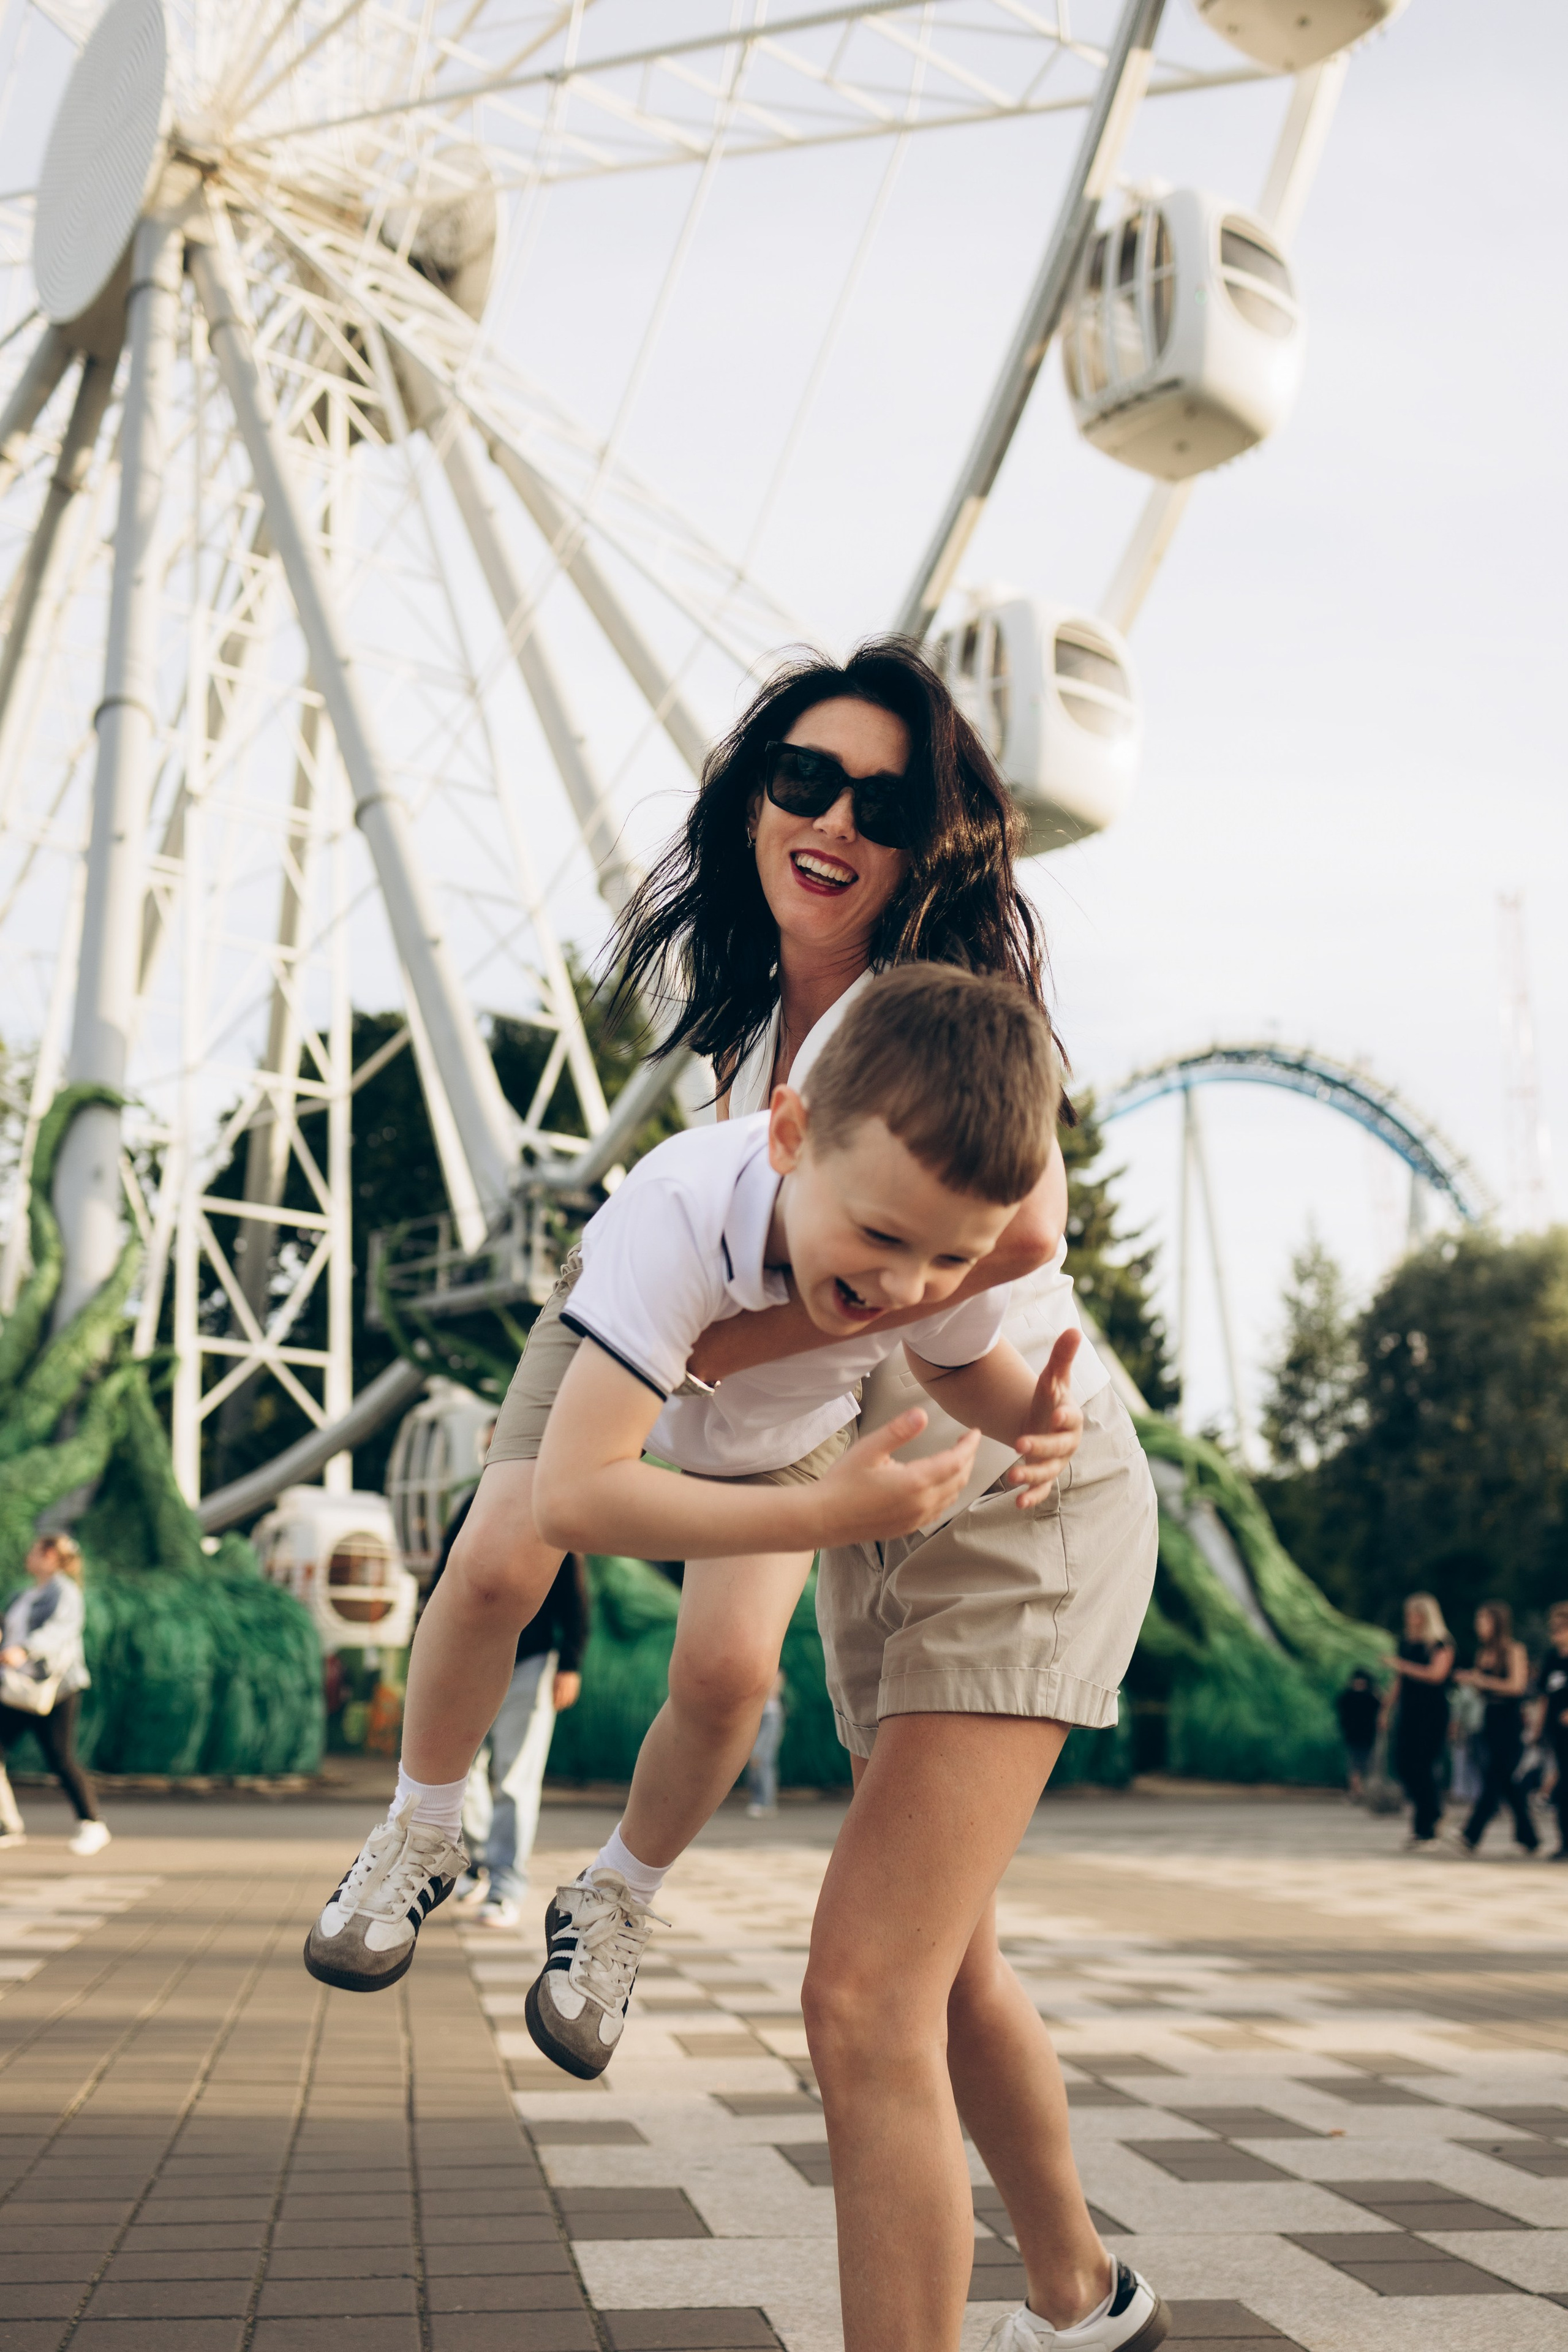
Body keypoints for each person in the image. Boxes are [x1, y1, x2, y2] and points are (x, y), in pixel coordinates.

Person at [314, 641, 1164, 2352]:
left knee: (863, 1998)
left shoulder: (933, 1028)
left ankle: (594, 1888)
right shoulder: (752, 1041)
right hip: (888, 1497)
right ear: (753, 793)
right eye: (804, 779)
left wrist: (708, 1355)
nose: (836, 818)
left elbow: (1005, 1254)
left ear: (940, 844)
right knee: (951, 1968)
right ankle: (1085, 2302)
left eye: (888, 800)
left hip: (991, 1492)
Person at [307, 964, 1082, 1994]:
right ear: (789, 1135)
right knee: (496, 1565)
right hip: (617, 1357)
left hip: (787, 1424)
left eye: (949, 1263)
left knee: (728, 1681)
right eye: (882, 1240)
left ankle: (617, 1892)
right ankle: (424, 1824)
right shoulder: (676, 1211)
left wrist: (1037, 1414)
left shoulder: (919, 1234)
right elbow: (576, 1498)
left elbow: (953, 1359)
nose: (903, 1290)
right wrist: (828, 1512)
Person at [426, 1496, 589, 1931]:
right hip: (474, 1660)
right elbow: (446, 1575)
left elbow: (574, 1593)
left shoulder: (549, 1506)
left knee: (515, 1778)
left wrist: (570, 1663)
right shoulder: (472, 1506)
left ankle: (506, 1888)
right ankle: (478, 1864)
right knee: (466, 1770)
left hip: (532, 1662)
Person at [0, 1533, 110, 1855]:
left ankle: (92, 1824)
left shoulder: (65, 1591)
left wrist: (25, 1650)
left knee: (60, 1757)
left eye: (35, 1551)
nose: (29, 1556)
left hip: (53, 1688)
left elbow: (60, 1631)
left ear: (50, 1556)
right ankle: (7, 1825)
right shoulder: (26, 1594)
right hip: (18, 1688)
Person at [1454, 1600, 1538, 1856]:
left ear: (1497, 1623)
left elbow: (1517, 1687)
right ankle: (1529, 1837)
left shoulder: (1514, 1650)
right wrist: (1472, 1682)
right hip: (1489, 1716)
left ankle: (1471, 1833)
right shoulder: (1483, 1653)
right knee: (1506, 1781)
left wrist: (1484, 1680)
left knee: (1495, 1775)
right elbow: (1483, 1688)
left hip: (1509, 1718)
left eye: (1484, 1620)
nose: (1479, 1626)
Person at [1381, 1593, 1453, 1850]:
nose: (1410, 1619)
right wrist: (1386, 1709)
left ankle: (1427, 1825)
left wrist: (1402, 1665)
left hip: (1431, 1713)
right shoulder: (1407, 1644)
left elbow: (1436, 1675)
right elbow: (1399, 1680)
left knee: (1423, 1766)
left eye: (1414, 1613)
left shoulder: (1441, 1644)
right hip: (1409, 1711)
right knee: (1404, 1764)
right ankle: (1430, 1814)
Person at [1531, 1601, 1568, 1861]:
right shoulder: (1552, 1658)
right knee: (1564, 1785)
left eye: (1562, 1628)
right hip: (1558, 1732)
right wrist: (1538, 1726)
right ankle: (1565, 1841)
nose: (1556, 1634)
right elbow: (1544, 1694)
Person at [1335, 1667, 1381, 1801]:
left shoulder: (1348, 1696)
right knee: (1357, 1764)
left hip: (1363, 1736)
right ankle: (1358, 1791)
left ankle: (1359, 1791)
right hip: (1358, 1735)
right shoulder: (1367, 1696)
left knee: (1360, 1764)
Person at [747, 1670, 786, 1816]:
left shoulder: (776, 1674)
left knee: (762, 1759)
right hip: (759, 1718)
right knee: (757, 1761)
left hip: (771, 1719)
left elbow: (772, 1691)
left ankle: (765, 1802)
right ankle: (760, 1801)